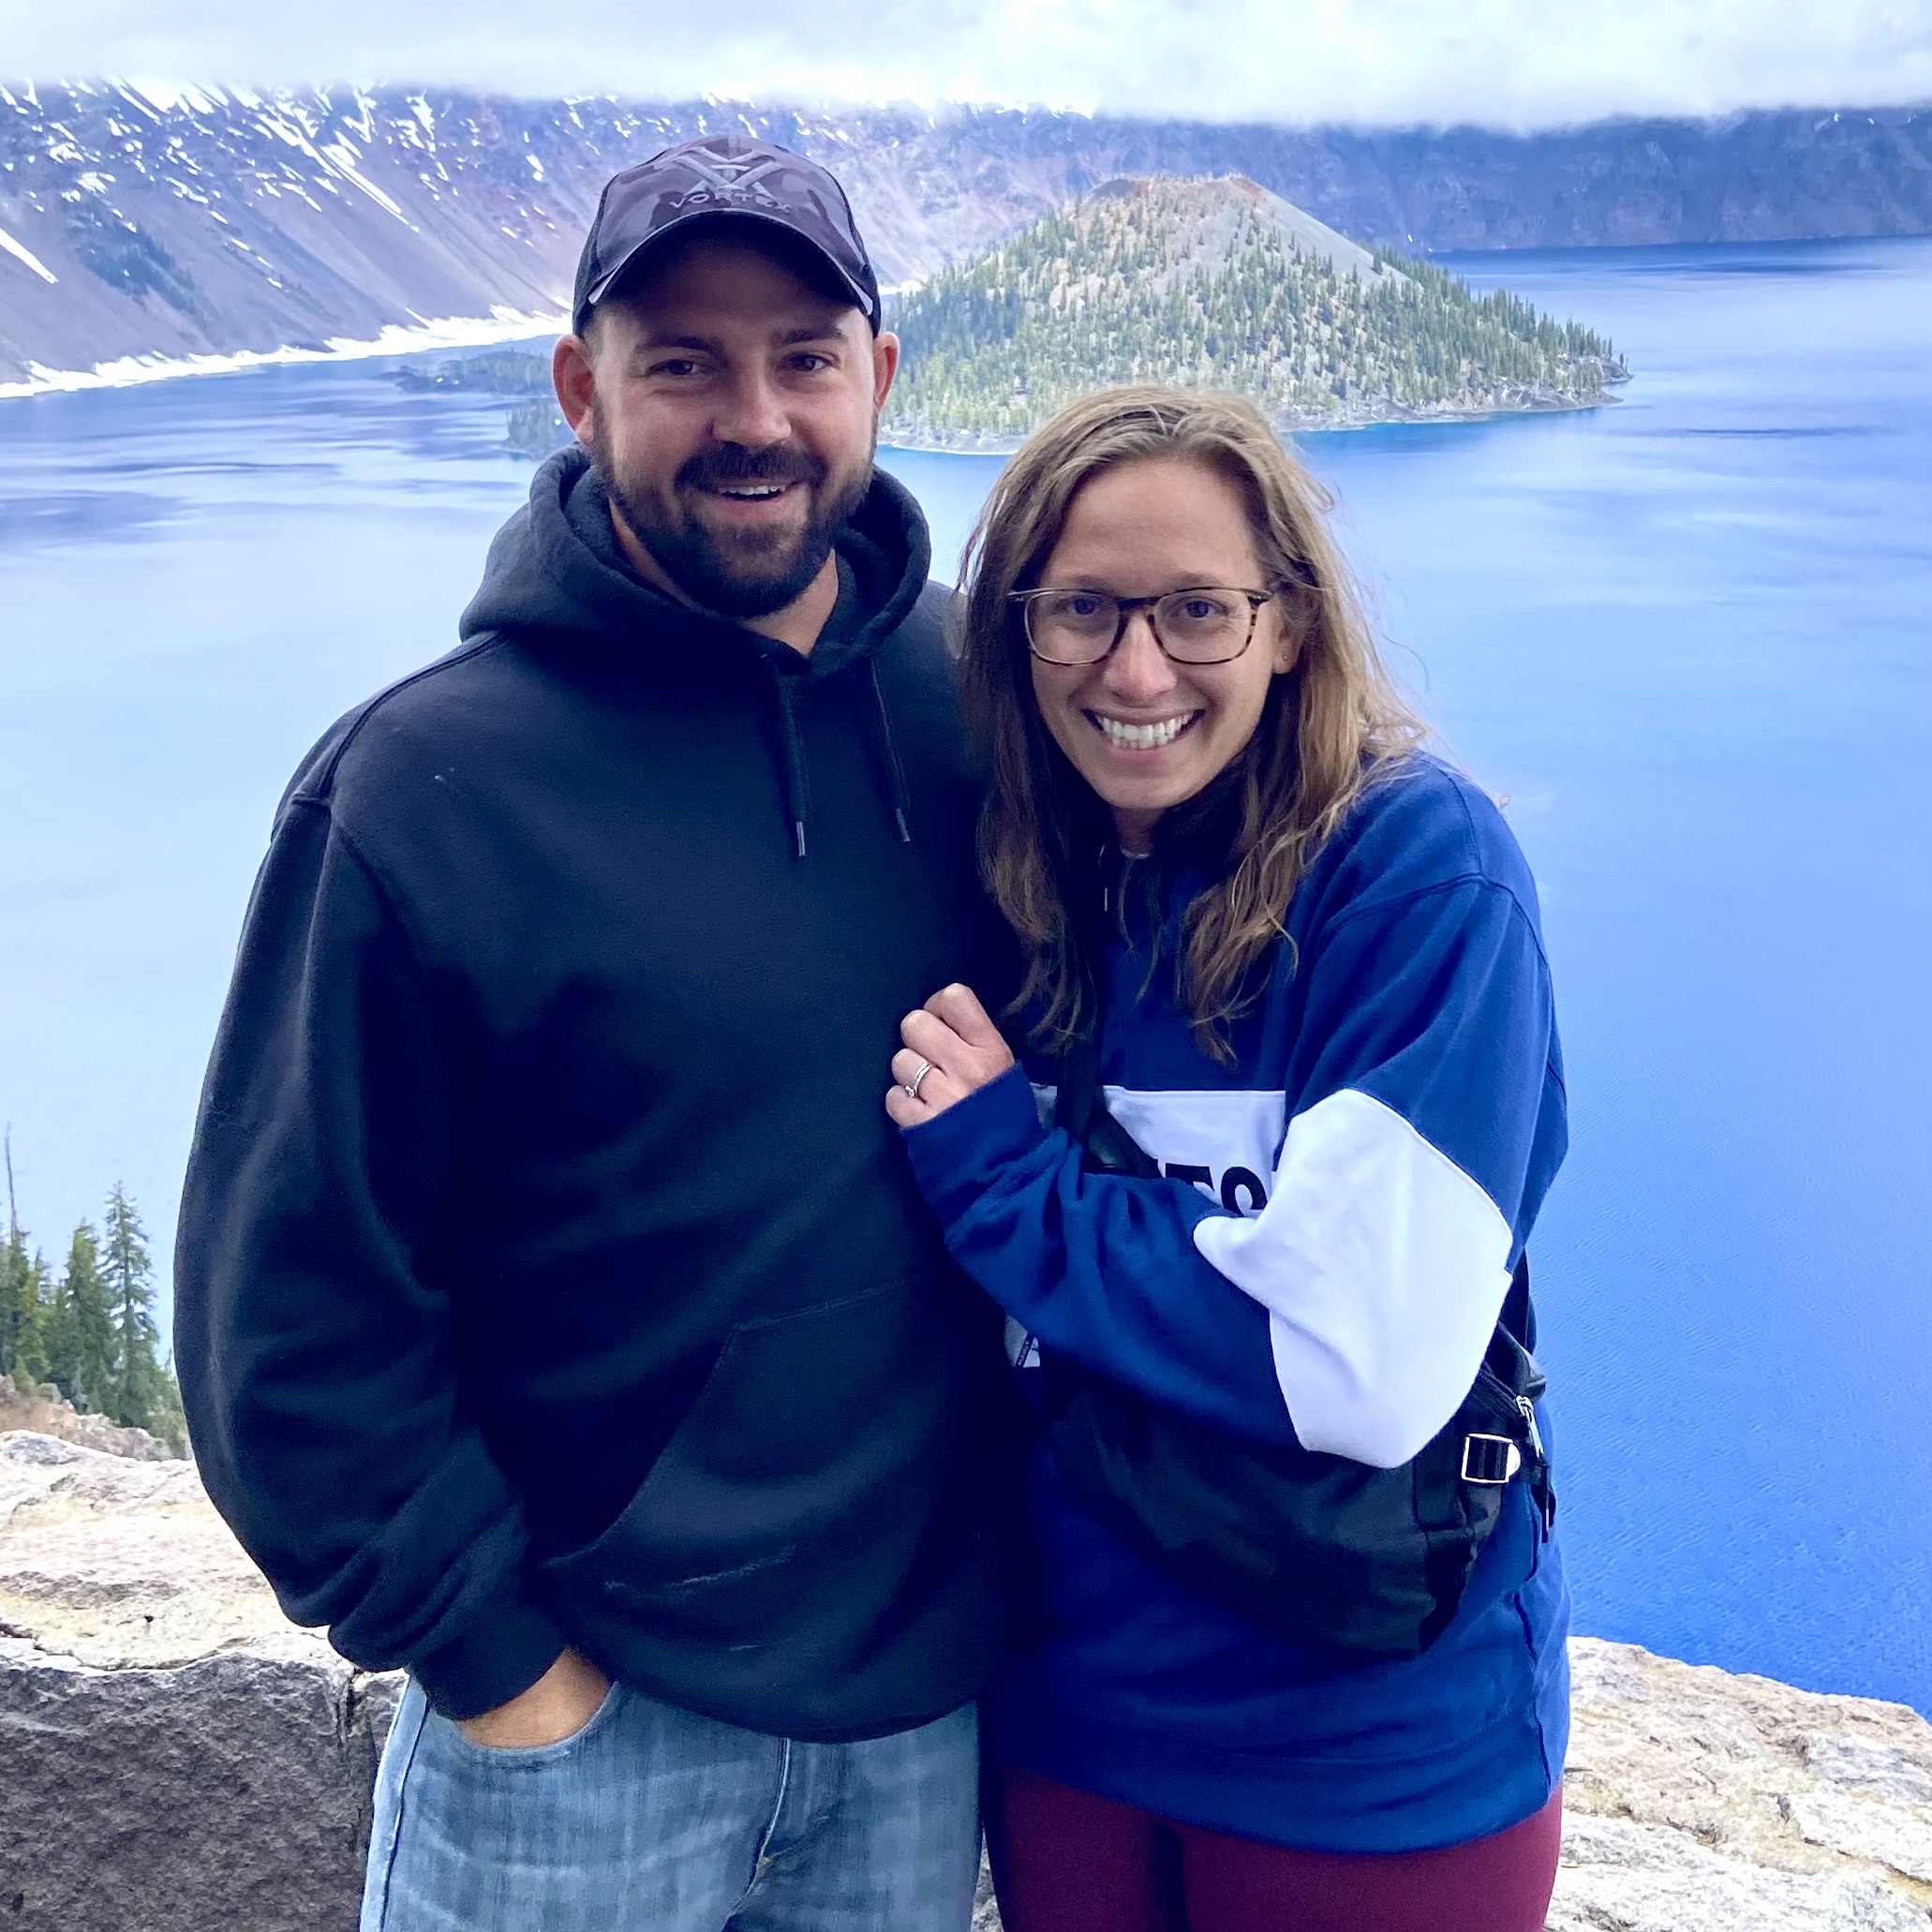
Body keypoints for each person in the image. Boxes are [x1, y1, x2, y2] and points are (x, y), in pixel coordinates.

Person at [173, 135, 1015, 1932]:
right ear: (580, 389)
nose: (755, 418)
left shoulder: (986, 718)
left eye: (801, 354)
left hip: (913, 1722)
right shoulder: (423, 789)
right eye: (682, 362)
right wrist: (501, 1669)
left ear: (879, 375)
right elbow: (287, 1306)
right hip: (574, 1735)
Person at [884, 388, 1569, 1932]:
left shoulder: (1413, 873)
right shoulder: (1025, 877)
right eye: (1080, 611)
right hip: (1069, 1723)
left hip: (1368, 1762)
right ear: (1019, 638)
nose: (1136, 669)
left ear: (1290, 626)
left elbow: (1363, 1360)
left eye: (1198, 608)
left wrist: (1009, 1185)